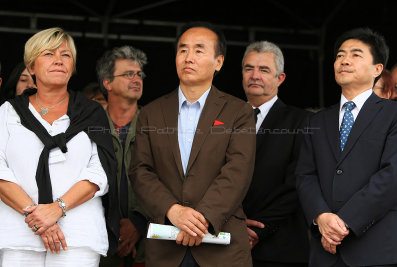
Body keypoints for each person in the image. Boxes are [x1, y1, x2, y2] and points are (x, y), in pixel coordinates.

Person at [130, 21, 256, 267]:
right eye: (183, 50)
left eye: (199, 50)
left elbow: (238, 171)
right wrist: (173, 211)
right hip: (166, 246)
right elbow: (140, 171)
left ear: (218, 62)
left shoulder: (238, 111)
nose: (188, 57)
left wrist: (202, 220)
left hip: (222, 248)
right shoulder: (151, 113)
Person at [0, 27, 119, 266]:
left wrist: (57, 209)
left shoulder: (91, 112)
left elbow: (100, 171)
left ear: (73, 66)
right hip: (18, 233)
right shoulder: (7, 112)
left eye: (65, 55)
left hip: (77, 234)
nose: (58, 61)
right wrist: (37, 216)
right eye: (48, 54)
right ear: (31, 67)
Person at [296, 27, 397, 266]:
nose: (344, 60)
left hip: (376, 250)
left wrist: (344, 223)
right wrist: (321, 216)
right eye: (340, 55)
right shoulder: (317, 120)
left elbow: (393, 175)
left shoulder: (394, 115)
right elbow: (304, 175)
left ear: (377, 69)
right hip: (325, 252)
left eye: (356, 54)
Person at [241, 41, 310, 267]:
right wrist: (231, 221)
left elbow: (298, 182)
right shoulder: (222, 120)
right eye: (249, 68)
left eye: (264, 70)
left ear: (280, 78)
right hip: (226, 242)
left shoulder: (301, 121)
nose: (255, 76)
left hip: (280, 249)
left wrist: (258, 227)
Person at [97, 45, 147, 267]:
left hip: (148, 245)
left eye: (139, 74)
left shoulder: (157, 124)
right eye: (128, 74)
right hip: (99, 241)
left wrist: (138, 222)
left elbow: (172, 178)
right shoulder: (90, 128)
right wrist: (112, 226)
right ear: (107, 82)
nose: (136, 79)